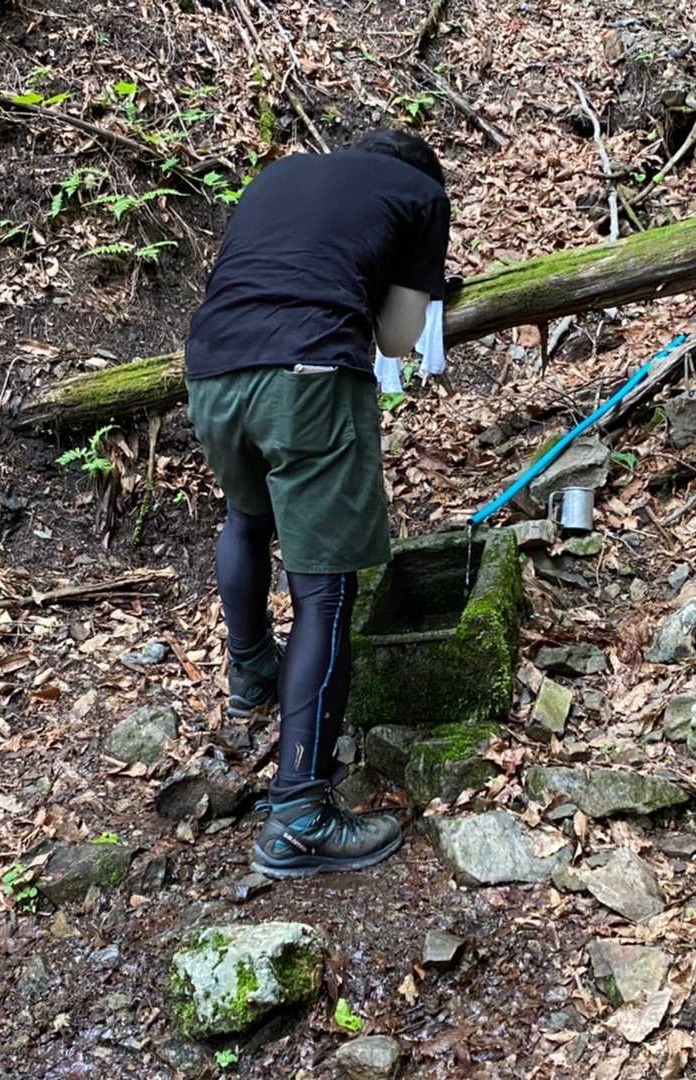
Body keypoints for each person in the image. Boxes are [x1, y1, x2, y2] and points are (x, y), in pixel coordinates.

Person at [183, 130, 451, 879]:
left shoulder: (279, 176)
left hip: (210, 371)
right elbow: (395, 339)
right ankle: (299, 813)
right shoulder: (422, 195)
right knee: (326, 590)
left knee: (247, 518)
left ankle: (252, 676)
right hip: (307, 376)